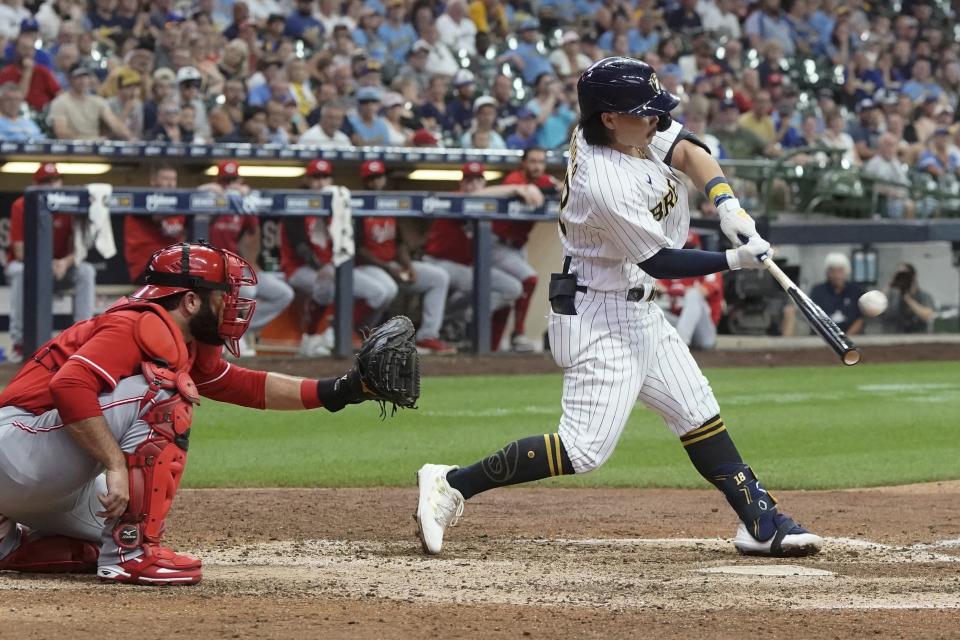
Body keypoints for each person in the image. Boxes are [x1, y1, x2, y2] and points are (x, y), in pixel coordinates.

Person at [414, 57, 822, 559]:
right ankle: (451, 483)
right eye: (643, 113)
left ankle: (761, 522)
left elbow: (693, 151)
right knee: (583, 450)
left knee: (696, 411)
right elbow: (658, 260)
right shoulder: (604, 179)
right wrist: (734, 259)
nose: (655, 120)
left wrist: (726, 203)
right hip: (597, 315)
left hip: (639, 309)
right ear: (608, 116)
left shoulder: (630, 128)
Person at [0, 240, 415, 585]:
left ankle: (11, 542)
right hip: (17, 450)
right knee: (165, 395)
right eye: (224, 295)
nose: (233, 304)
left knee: (93, 541)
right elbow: (69, 385)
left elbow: (238, 383)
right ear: (191, 299)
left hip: (26, 478)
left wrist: (339, 391)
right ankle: (133, 554)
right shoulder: (135, 323)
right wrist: (114, 464)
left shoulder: (177, 337)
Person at [423, 162, 542, 350]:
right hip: (439, 262)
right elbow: (474, 197)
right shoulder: (457, 198)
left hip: (463, 267)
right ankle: (459, 320)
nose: (473, 185)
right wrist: (518, 188)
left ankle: (461, 318)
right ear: (461, 184)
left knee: (511, 287)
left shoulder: (486, 204)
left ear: (483, 182)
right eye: (468, 181)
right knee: (489, 286)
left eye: (477, 180)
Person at [353, 161, 456, 354]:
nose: (376, 182)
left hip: (392, 265)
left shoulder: (389, 205)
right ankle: (361, 333)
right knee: (386, 290)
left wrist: (408, 265)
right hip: (369, 267)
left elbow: (399, 243)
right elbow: (359, 251)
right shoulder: (359, 206)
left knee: (438, 277)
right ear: (364, 181)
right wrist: (389, 268)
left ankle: (428, 336)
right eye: (370, 179)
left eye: (379, 177)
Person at [201, 161, 295, 355]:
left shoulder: (244, 204)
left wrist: (251, 261)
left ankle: (234, 333)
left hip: (236, 265)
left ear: (240, 180)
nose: (230, 186)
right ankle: (229, 335)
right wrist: (208, 191)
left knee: (283, 294)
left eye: (234, 180)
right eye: (225, 181)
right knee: (248, 291)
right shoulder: (209, 200)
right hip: (213, 266)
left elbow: (253, 234)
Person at [5, 163, 96, 363]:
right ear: (35, 185)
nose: (51, 185)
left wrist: (64, 262)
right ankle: (19, 343)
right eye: (45, 182)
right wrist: (47, 264)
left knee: (86, 271)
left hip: (61, 269)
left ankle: (83, 339)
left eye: (54, 180)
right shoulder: (22, 204)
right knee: (19, 271)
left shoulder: (71, 205)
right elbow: (20, 252)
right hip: (32, 269)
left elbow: (80, 249)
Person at [490, 148, 559, 352]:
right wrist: (537, 190)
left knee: (509, 296)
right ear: (524, 163)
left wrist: (552, 189)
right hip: (496, 244)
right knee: (529, 280)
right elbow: (526, 192)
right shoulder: (514, 178)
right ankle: (518, 333)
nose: (537, 166)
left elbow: (562, 187)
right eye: (532, 161)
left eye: (540, 162)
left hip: (517, 247)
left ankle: (492, 349)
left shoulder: (543, 180)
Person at [658, 231, 723, 350]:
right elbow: (656, 286)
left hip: (703, 332)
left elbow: (704, 290)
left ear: (698, 248)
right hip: (679, 324)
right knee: (652, 307)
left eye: (690, 248)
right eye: (684, 249)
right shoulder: (673, 267)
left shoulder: (709, 266)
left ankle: (680, 344)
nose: (687, 253)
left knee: (694, 295)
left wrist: (679, 290)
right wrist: (668, 289)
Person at [123, 163, 185, 283]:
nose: (170, 183)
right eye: (165, 179)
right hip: (145, 267)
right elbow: (155, 215)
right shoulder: (139, 203)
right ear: (153, 181)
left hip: (172, 265)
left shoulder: (179, 205)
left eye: (173, 179)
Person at [48, 63, 132, 141]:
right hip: (72, 149)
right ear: (70, 78)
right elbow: (61, 132)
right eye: (78, 77)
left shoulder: (98, 101)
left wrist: (131, 138)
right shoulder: (60, 102)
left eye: (85, 76)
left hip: (96, 146)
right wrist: (87, 141)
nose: (83, 80)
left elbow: (115, 124)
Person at [809, 253, 864, 336]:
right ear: (827, 272)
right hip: (824, 337)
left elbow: (860, 319)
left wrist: (846, 339)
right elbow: (814, 317)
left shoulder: (856, 290)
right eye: (832, 271)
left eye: (840, 271)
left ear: (846, 271)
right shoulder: (818, 291)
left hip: (851, 337)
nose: (836, 275)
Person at [882, 263, 935, 334]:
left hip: (919, 340)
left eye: (905, 275)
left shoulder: (924, 296)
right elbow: (876, 308)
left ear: (913, 276)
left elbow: (927, 316)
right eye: (900, 275)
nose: (903, 278)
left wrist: (908, 299)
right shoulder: (893, 297)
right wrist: (891, 284)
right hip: (897, 339)